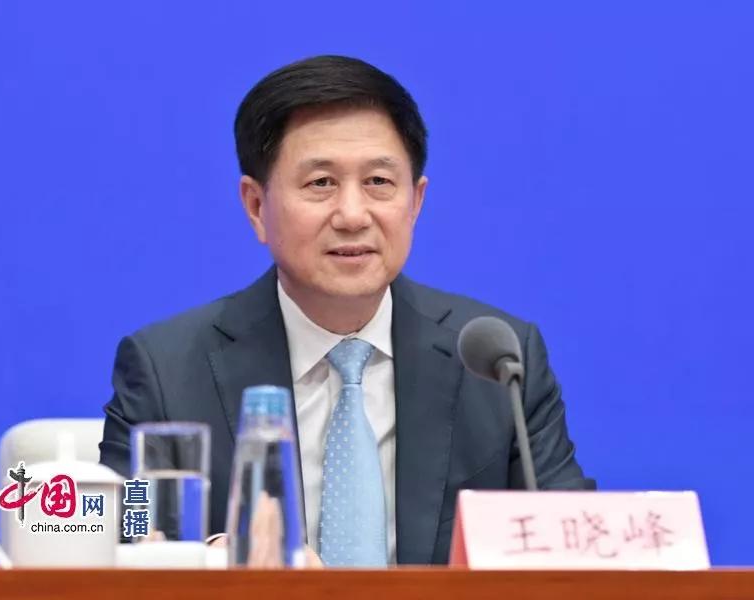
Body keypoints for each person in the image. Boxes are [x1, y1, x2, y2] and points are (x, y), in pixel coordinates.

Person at [99, 55, 594, 567]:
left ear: (415, 202)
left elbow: (574, 544)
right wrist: (210, 560)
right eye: (321, 183)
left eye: (379, 181)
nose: (353, 215)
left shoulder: (498, 364)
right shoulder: (167, 371)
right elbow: (120, 528)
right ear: (256, 206)